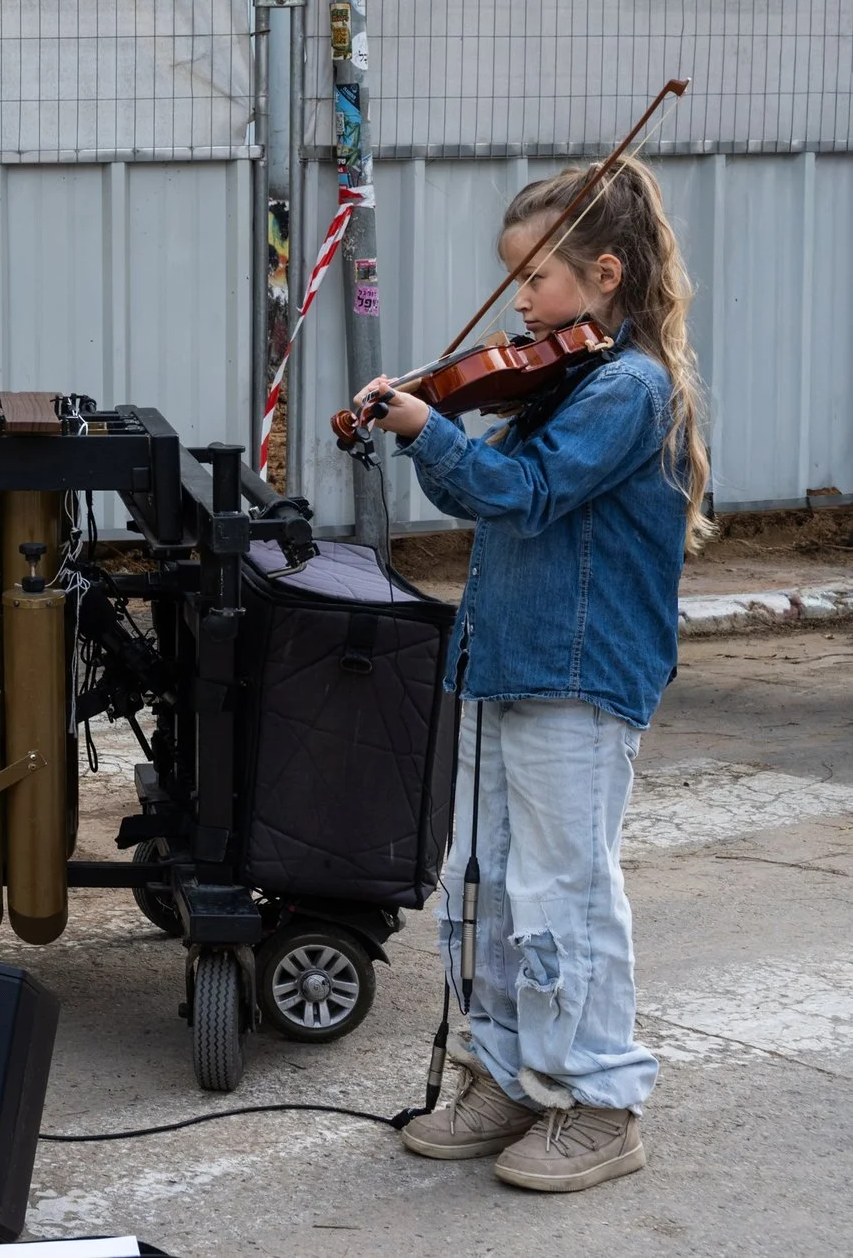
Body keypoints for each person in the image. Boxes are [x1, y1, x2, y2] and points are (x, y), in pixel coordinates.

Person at [352, 157, 706, 1193]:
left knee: (566, 888)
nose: (519, 303)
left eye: (536, 279)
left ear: (603, 275)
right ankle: (508, 1071)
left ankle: (599, 1098)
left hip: (577, 670)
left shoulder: (628, 389)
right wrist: (434, 428)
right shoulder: (561, 381)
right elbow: (497, 491)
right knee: (485, 880)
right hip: (503, 657)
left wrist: (430, 427)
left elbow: (528, 493)